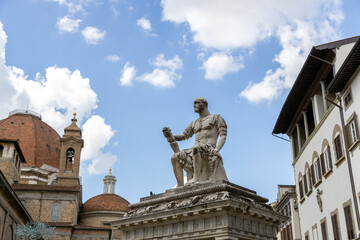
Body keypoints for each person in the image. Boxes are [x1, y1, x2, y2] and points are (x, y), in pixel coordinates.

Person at [163, 97, 228, 187]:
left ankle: (196, 179)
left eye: (196, 102)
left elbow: (223, 136)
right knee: (175, 157)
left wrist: (216, 150)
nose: (194, 105)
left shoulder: (216, 118)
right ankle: (180, 184)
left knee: (196, 148)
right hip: (196, 149)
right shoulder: (194, 123)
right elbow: (183, 136)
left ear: (204, 104)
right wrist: (170, 136)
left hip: (209, 148)